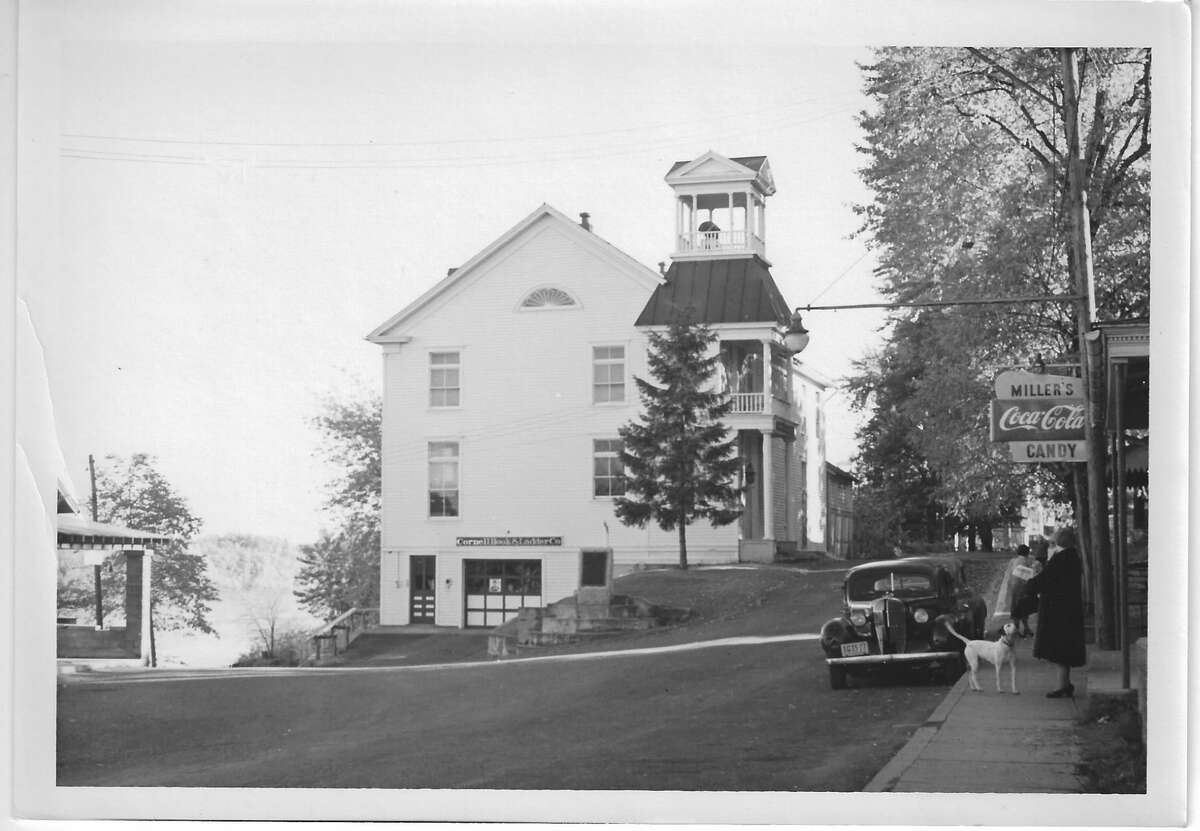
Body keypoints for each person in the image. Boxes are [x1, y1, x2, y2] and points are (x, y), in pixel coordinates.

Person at [1022, 526, 1086, 697]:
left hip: (1058, 609)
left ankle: (1062, 686)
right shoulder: (1072, 557)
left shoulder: (1060, 558)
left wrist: (1030, 583)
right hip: (1068, 607)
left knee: (1058, 648)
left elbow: (1046, 580)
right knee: (1063, 648)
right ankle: (1064, 683)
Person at [1006, 544, 1042, 637]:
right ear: (1027, 553)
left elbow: (1009, 575)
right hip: (1025, 588)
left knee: (1016, 608)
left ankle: (1018, 628)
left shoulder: (1013, 561)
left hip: (1015, 588)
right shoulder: (1029, 561)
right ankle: (1025, 628)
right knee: (1024, 608)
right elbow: (1035, 573)